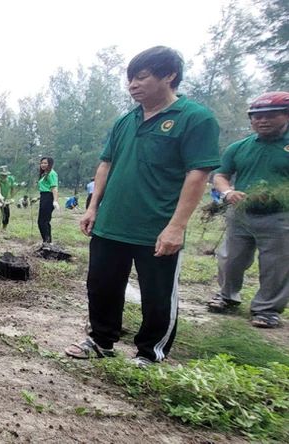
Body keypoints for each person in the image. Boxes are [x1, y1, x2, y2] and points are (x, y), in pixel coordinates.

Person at [64, 46, 220, 366]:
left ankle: (150, 353)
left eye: (141, 77)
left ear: (169, 76)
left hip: (157, 225)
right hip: (112, 221)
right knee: (102, 285)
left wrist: (176, 226)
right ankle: (101, 340)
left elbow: (198, 173)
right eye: (130, 79)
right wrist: (94, 207)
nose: (133, 84)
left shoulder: (194, 118)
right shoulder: (125, 121)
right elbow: (106, 164)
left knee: (157, 293)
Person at [207, 91, 289, 329]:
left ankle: (267, 309)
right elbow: (220, 175)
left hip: (280, 216)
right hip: (241, 214)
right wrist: (227, 193)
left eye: (270, 115)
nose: (262, 121)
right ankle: (227, 296)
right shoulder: (239, 147)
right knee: (230, 259)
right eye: (256, 116)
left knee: (276, 264)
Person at [37, 157, 59, 244]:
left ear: (50, 164)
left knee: (43, 221)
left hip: (48, 197)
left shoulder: (51, 174)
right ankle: (47, 241)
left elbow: (54, 187)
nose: (43, 165)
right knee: (44, 221)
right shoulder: (45, 174)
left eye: (45, 163)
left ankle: (47, 241)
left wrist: (55, 200)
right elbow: (45, 188)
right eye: (42, 163)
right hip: (44, 196)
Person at [0, 165, 16, 230]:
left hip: (5, 199)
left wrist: (11, 198)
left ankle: (4, 227)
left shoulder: (10, 179)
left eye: (6, 175)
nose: (4, 176)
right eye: (2, 175)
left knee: (6, 213)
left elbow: (12, 188)